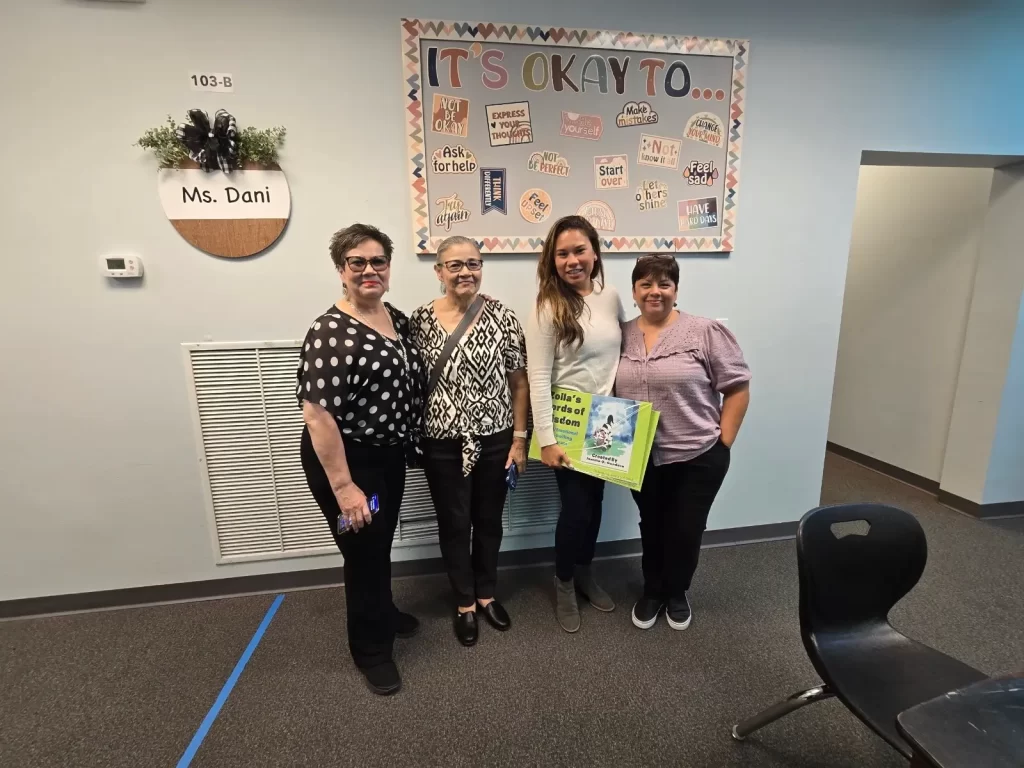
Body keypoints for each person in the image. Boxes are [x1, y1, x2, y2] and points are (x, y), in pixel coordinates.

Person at [297, 223, 424, 695]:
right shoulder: (330, 330)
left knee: (378, 546)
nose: (369, 270)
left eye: (378, 261)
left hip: (387, 454)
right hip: (347, 461)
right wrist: (344, 487)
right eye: (358, 262)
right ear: (341, 271)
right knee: (364, 554)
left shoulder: (395, 317)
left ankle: (383, 613)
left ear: (389, 269)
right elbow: (318, 416)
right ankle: (370, 650)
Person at [615, 254, 751, 631]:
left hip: (698, 454)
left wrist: (723, 442)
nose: (654, 292)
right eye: (646, 284)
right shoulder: (620, 334)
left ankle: (677, 591)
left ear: (675, 290)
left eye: (664, 284)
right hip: (641, 456)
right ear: (634, 291)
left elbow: (737, 388)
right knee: (652, 524)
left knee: (686, 528)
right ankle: (653, 590)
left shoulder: (704, 331)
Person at [410, 236, 529, 647]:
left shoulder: (503, 317)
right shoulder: (419, 320)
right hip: (442, 442)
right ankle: (464, 603)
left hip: (496, 438)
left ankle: (486, 594)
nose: (465, 272)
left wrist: (519, 438)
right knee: (454, 524)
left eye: (473, 264)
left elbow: (518, 382)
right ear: (439, 271)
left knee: (490, 521)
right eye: (455, 265)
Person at [526, 215, 625, 633]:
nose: (572, 260)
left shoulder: (611, 297)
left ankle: (585, 571)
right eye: (562, 253)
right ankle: (564, 580)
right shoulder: (547, 307)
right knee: (577, 509)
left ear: (594, 252)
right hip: (566, 423)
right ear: (552, 259)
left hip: (608, 420)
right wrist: (545, 438)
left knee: (596, 504)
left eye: (579, 250)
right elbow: (537, 377)